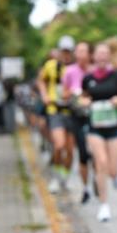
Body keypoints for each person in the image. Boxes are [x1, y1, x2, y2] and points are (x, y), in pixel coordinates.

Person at [81, 42, 117, 222]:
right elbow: (82, 98)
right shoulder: (88, 78)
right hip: (95, 127)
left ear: (109, 56)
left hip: (114, 128)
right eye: (99, 54)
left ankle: (115, 176)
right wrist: (84, 102)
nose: (102, 57)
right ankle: (104, 205)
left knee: (113, 169)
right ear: (94, 57)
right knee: (101, 163)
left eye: (105, 54)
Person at [37, 36, 76, 193]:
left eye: (68, 52)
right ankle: (56, 177)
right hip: (55, 110)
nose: (65, 55)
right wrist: (45, 95)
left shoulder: (75, 68)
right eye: (63, 51)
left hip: (72, 111)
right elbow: (41, 81)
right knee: (59, 145)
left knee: (70, 150)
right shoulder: (51, 66)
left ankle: (65, 177)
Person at [63, 41, 93, 203]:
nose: (80, 54)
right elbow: (64, 94)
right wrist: (75, 94)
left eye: (83, 51)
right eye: (78, 51)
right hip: (77, 115)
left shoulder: (95, 70)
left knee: (96, 152)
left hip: (95, 116)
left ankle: (98, 179)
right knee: (82, 152)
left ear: (90, 54)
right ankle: (85, 187)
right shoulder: (69, 71)